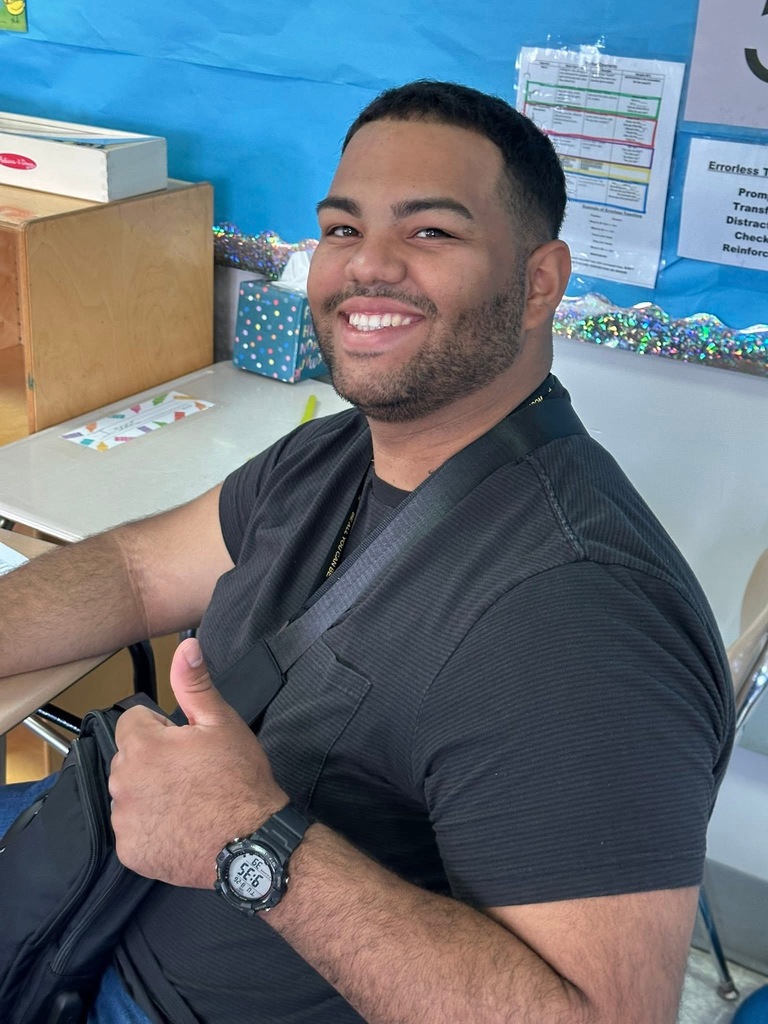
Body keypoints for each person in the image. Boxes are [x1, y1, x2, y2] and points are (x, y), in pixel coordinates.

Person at [0, 80, 734, 1024]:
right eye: (343, 230)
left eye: (431, 233)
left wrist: (246, 842)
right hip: (90, 891)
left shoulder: (580, 613)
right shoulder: (342, 448)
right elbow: (144, 568)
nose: (366, 268)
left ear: (539, 283)